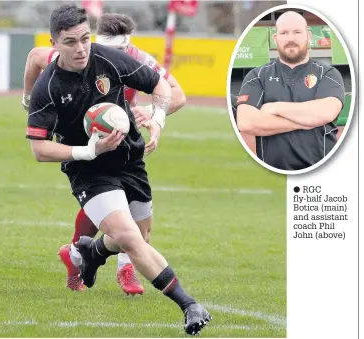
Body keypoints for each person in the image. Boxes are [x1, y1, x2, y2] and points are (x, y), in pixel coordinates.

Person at [26, 4, 210, 335]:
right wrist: (87, 150)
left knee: (139, 235)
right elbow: (39, 149)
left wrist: (157, 119)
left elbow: (162, 87)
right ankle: (189, 304)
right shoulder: (49, 86)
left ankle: (93, 251)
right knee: (127, 236)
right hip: (90, 171)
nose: (81, 49)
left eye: (85, 38)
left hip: (129, 158)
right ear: (55, 43)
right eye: (70, 42)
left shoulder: (109, 58)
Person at [236, 10, 345, 171]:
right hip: (272, 172)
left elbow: (326, 112)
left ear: (308, 36)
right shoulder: (257, 76)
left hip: (320, 168)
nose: (290, 38)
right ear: (275, 38)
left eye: (297, 32)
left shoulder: (328, 73)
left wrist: (274, 108)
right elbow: (246, 122)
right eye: (284, 33)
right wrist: (308, 121)